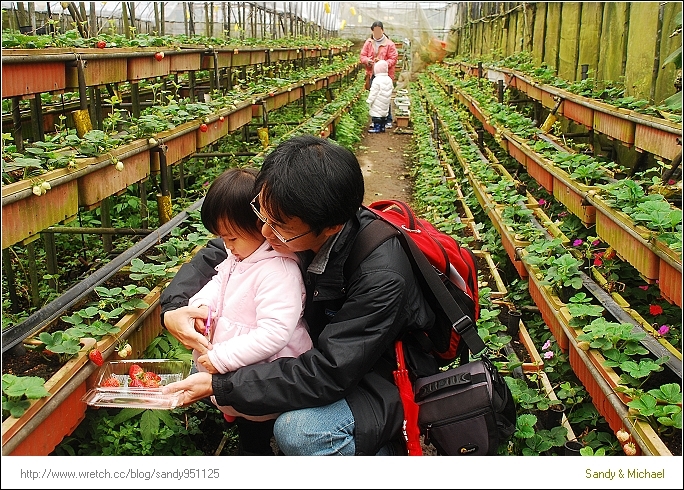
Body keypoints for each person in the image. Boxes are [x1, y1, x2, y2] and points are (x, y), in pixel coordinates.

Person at [160, 135, 438, 456]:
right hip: (322, 353)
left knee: (300, 431)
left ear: (330, 227)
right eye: (262, 215)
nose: (265, 233)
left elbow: (330, 372)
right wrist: (175, 308)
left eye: (278, 226)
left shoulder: (381, 276)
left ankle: (380, 452)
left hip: (379, 375)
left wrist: (226, 386)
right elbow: (218, 250)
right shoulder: (289, 219)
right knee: (218, 373)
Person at [180, 167, 313, 428]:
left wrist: (222, 358)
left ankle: (258, 442)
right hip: (241, 364)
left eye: (231, 237)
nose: (226, 246)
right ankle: (245, 427)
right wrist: (201, 306)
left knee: (257, 410)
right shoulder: (240, 256)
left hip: (268, 368)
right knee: (242, 407)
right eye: (222, 238)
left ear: (261, 226)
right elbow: (219, 282)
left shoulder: (279, 271)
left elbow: (274, 333)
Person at [359, 21, 398, 128]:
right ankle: (375, 120)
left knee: (385, 96)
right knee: (376, 97)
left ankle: (387, 119)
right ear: (372, 31)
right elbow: (362, 56)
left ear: (383, 30)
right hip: (372, 73)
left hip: (385, 75)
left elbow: (393, 59)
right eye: (375, 31)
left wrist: (382, 63)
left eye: (379, 31)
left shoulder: (389, 44)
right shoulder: (368, 43)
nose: (377, 33)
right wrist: (369, 61)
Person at [366, 60, 394, 133]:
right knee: (384, 115)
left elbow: (373, 91)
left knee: (377, 116)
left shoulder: (376, 80)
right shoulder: (389, 79)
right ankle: (382, 127)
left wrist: (369, 100)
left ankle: (377, 128)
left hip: (377, 101)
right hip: (385, 100)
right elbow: (391, 88)